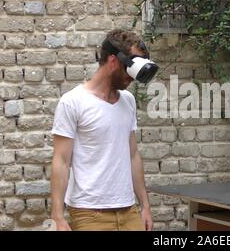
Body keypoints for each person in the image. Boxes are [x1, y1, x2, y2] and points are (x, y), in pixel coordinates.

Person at [50, 29, 153, 231]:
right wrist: (57, 217)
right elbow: (61, 161)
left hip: (128, 210)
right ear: (113, 61)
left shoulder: (128, 101)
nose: (132, 79)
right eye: (130, 70)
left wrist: (145, 206)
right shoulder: (73, 102)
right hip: (90, 214)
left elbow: (133, 155)